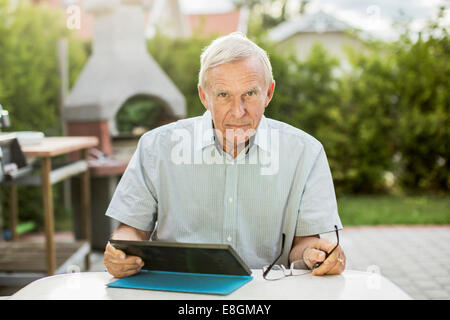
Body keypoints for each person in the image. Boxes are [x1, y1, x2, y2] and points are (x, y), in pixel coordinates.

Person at [103, 32, 346, 278]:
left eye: (249, 94)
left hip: (265, 294)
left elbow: (304, 244)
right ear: (204, 96)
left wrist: (313, 254)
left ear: (268, 93)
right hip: (179, 291)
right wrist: (119, 252)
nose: (238, 111)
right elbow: (131, 232)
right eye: (223, 95)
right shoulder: (155, 147)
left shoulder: (306, 152)